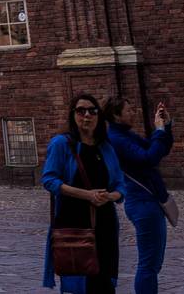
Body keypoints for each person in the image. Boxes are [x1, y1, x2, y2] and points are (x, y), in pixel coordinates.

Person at [42, 93, 126, 294]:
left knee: (104, 282)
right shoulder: (62, 144)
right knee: (79, 283)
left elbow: (121, 186)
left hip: (103, 223)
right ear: (73, 115)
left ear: (98, 116)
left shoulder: (105, 147)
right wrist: (86, 195)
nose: (87, 115)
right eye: (81, 111)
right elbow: (49, 180)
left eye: (92, 110)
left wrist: (109, 196)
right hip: (73, 222)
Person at [105, 96, 173, 294]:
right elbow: (148, 158)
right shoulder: (117, 139)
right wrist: (159, 130)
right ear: (116, 116)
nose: (133, 112)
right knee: (149, 264)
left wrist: (165, 126)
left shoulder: (126, 135)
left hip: (148, 201)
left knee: (153, 263)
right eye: (129, 110)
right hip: (143, 203)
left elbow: (157, 149)